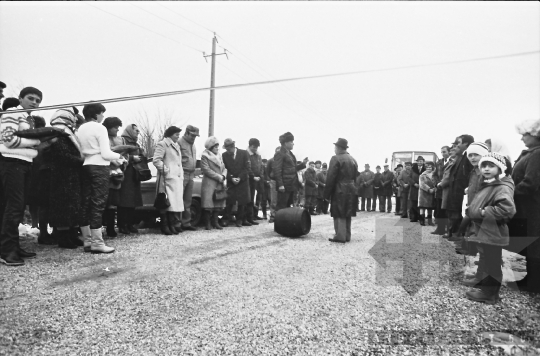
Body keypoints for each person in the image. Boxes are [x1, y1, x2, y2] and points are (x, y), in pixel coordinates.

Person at [0, 87, 44, 266]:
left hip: (24, 163)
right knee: (14, 206)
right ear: (20, 98)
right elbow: (8, 139)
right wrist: (36, 141)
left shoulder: (27, 118)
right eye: (30, 98)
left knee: (17, 206)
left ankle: (14, 246)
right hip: (11, 163)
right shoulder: (13, 112)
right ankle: (6, 251)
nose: (34, 102)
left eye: (38, 100)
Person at [464, 152, 516, 304]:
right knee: (487, 259)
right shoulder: (490, 183)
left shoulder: (502, 187)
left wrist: (482, 212)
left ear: (500, 168)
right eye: (484, 166)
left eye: (491, 166)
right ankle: (486, 287)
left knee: (493, 262)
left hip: (492, 231)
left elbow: (507, 210)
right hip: (486, 231)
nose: (486, 169)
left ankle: (490, 294)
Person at [77, 102, 125, 254]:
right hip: (99, 166)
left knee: (85, 203)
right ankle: (97, 243)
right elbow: (105, 153)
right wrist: (120, 157)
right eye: (102, 113)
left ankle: (87, 240)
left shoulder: (80, 129)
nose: (103, 116)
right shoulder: (100, 127)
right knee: (98, 203)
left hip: (85, 165)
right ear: (96, 114)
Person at [45, 108, 85, 249]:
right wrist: (81, 161)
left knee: (72, 205)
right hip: (62, 175)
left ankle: (72, 235)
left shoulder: (66, 132)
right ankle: (63, 238)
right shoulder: (59, 133)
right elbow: (62, 155)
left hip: (70, 174)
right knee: (64, 206)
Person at [509, 119, 540, 293]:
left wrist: (507, 191)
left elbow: (530, 184)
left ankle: (530, 284)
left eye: (525, 134)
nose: (522, 138)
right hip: (523, 208)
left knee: (530, 243)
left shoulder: (536, 154)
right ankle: (521, 281)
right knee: (522, 240)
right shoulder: (531, 154)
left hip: (529, 208)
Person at [458, 142, 490, 286]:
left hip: (481, 213)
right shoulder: (475, 171)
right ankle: (478, 273)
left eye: (475, 154)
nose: (472, 158)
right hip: (473, 212)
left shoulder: (484, 171)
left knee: (483, 246)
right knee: (477, 243)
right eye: (470, 155)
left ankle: (482, 277)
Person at [324, 138, 359, 243]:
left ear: (338, 148)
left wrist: (326, 194)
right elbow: (356, 176)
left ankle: (340, 235)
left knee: (339, 212)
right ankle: (347, 235)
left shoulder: (335, 158)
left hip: (339, 188)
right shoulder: (353, 159)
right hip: (351, 187)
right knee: (347, 211)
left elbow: (331, 177)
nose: (334, 149)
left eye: (335, 147)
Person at [153, 126, 184, 235]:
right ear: (170, 134)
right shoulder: (163, 144)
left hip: (175, 179)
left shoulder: (176, 146)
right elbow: (156, 160)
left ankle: (172, 225)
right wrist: (166, 171)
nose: (178, 137)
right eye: (176, 134)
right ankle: (164, 226)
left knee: (173, 203)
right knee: (165, 202)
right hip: (166, 179)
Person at [117, 124, 144, 235]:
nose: (138, 132)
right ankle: (122, 225)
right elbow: (118, 155)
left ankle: (130, 224)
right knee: (124, 201)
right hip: (125, 174)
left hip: (134, 175)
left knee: (133, 201)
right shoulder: (122, 141)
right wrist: (133, 158)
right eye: (136, 130)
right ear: (129, 130)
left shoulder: (136, 143)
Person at [446, 135, 474, 242]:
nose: (457, 145)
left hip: (463, 191)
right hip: (456, 190)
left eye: (459, 143)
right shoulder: (462, 156)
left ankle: (460, 235)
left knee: (462, 213)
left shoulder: (469, 156)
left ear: (466, 144)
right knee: (455, 212)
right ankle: (456, 233)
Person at [102, 117, 125, 239]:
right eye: (115, 127)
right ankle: (102, 227)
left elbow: (123, 155)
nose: (117, 129)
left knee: (113, 203)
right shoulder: (102, 138)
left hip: (117, 175)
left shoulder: (120, 139)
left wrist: (122, 162)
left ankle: (110, 227)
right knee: (103, 202)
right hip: (105, 173)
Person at [273, 132, 308, 211]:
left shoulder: (290, 154)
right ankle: (279, 222)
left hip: (291, 184)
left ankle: (286, 223)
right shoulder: (280, 154)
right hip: (285, 185)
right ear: (285, 143)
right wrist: (280, 185)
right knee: (281, 207)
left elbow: (292, 168)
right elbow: (277, 170)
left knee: (288, 207)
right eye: (291, 142)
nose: (293, 144)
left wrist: (303, 164)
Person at [222, 138, 252, 227]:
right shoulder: (224, 155)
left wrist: (239, 177)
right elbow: (224, 169)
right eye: (226, 149)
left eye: (228, 149)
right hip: (231, 182)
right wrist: (231, 178)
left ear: (233, 147)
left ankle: (240, 219)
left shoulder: (244, 153)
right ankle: (226, 218)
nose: (227, 151)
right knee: (230, 200)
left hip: (242, 181)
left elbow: (247, 167)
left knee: (242, 201)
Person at [200, 136, 227, 230]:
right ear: (211, 147)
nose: (217, 148)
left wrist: (223, 175)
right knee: (208, 204)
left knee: (218, 203)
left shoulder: (220, 156)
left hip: (219, 181)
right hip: (209, 182)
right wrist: (219, 177)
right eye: (215, 146)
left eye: (218, 146)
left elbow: (224, 167)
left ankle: (215, 222)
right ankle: (207, 223)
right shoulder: (204, 156)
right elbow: (206, 169)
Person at [178, 125, 199, 231]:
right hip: (182, 174)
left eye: (195, 136)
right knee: (179, 199)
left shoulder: (193, 145)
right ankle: (177, 223)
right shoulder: (179, 142)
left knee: (188, 200)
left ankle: (186, 222)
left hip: (191, 174)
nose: (193, 138)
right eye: (192, 135)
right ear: (186, 133)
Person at [432, 146, 451, 235]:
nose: (443, 154)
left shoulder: (452, 162)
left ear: (449, 152)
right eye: (442, 152)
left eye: (444, 152)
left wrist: (443, 183)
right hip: (439, 190)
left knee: (447, 210)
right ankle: (440, 229)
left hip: (448, 189)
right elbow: (434, 174)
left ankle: (448, 229)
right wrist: (436, 183)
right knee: (439, 210)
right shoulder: (439, 162)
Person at [246, 138, 263, 225]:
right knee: (248, 199)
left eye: (256, 147)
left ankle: (252, 216)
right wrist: (253, 176)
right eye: (254, 147)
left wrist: (260, 175)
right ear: (250, 146)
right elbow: (247, 167)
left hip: (256, 180)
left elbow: (260, 166)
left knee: (253, 199)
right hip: (248, 179)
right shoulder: (246, 154)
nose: (255, 149)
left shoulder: (258, 155)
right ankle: (247, 217)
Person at [418, 161, 437, 226]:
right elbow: (422, 184)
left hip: (431, 193)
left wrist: (434, 189)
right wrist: (429, 189)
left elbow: (436, 183)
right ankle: (422, 221)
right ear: (425, 168)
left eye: (430, 167)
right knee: (422, 207)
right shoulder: (422, 175)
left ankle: (430, 221)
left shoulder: (434, 175)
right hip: (423, 194)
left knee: (430, 208)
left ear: (432, 168)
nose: (429, 169)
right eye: (427, 167)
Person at [266, 146, 281, 223]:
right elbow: (267, 171)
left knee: (281, 199)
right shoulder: (271, 161)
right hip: (274, 181)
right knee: (273, 199)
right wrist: (270, 180)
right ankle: (273, 215)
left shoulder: (283, 161)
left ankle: (280, 215)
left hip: (282, 182)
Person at [408, 156, 425, 222]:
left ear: (423, 162)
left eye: (421, 161)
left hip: (422, 189)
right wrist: (414, 183)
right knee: (413, 203)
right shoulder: (413, 169)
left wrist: (421, 185)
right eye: (418, 161)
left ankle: (421, 218)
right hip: (414, 188)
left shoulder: (426, 169)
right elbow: (409, 178)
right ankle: (413, 217)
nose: (419, 162)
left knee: (421, 204)